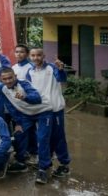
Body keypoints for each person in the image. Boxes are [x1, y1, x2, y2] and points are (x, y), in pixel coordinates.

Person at [0, 67, 52, 184]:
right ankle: (21, 162)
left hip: (43, 112)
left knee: (42, 139)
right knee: (19, 133)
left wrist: (25, 97)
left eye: (10, 78)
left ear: (15, 76)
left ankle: (43, 168)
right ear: (1, 80)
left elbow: (37, 98)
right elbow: (11, 107)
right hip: (26, 115)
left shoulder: (24, 83)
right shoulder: (3, 89)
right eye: (4, 79)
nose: (8, 81)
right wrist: (17, 122)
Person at [27, 48, 71, 179]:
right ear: (30, 57)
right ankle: (44, 165)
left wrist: (61, 69)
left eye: (38, 55)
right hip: (41, 111)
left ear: (43, 56)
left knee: (58, 138)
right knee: (43, 138)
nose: (36, 58)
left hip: (55, 109)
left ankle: (64, 165)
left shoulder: (52, 68)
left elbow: (61, 78)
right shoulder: (30, 71)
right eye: (33, 55)